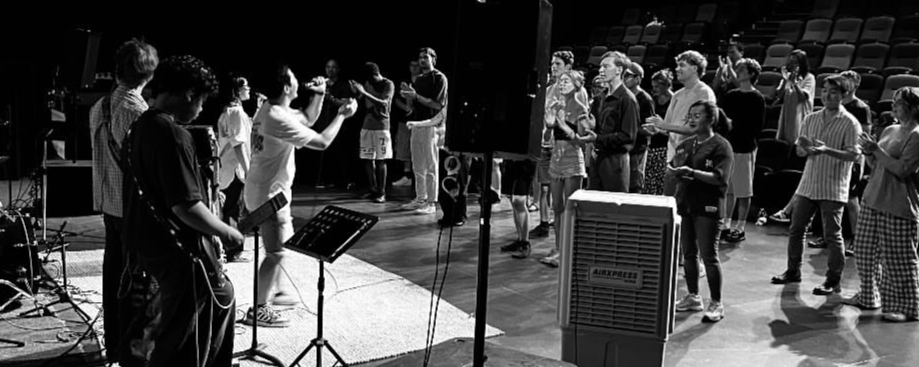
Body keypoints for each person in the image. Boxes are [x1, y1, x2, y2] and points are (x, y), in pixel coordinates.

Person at [122, 55, 238, 367]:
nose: (201, 109)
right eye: (200, 101)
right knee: (184, 334)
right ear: (188, 93)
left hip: (145, 243)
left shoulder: (137, 128)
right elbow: (186, 207)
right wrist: (226, 231)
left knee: (168, 322)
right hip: (177, 252)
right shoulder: (174, 135)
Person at [244, 65, 358, 327]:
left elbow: (306, 119)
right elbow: (321, 142)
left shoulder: (271, 110)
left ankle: (277, 291)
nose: (299, 81)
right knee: (275, 253)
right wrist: (342, 115)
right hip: (269, 196)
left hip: (265, 190)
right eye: (295, 78)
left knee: (280, 247)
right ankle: (258, 309)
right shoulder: (275, 117)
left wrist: (319, 94)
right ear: (287, 87)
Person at [88, 38, 158, 365]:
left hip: (108, 203)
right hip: (132, 209)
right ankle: (135, 355)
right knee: (138, 285)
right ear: (148, 74)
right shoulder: (138, 110)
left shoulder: (97, 108)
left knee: (114, 275)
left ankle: (115, 346)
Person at [771, 74, 862, 296]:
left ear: (843, 95)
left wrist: (826, 150)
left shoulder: (850, 122)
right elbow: (800, 149)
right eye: (825, 90)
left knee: (832, 235)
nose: (827, 95)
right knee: (796, 229)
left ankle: (833, 280)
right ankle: (793, 270)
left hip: (833, 186)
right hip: (809, 183)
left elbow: (853, 155)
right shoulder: (811, 118)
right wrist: (807, 150)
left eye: (833, 92)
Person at [843, 86, 919, 322]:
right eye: (894, 101)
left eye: (899, 102)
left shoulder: (916, 134)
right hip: (873, 197)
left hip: (897, 203)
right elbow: (878, 165)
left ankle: (908, 308)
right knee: (865, 252)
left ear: (914, 107)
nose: (893, 105)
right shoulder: (890, 129)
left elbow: (903, 169)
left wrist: (876, 150)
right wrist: (868, 152)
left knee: (898, 259)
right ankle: (869, 295)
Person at [670, 100, 734, 323]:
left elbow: (720, 178)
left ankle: (716, 302)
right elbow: (673, 169)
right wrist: (675, 168)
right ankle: (693, 296)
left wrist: (692, 172)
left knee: (709, 255)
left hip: (709, 206)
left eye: (697, 115)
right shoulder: (687, 144)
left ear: (711, 119)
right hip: (686, 203)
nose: (692, 119)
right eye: (691, 115)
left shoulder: (721, 146)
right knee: (688, 254)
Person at [530, 50, 587, 238]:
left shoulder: (579, 93)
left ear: (568, 67)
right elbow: (546, 121)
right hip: (550, 147)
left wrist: (560, 122)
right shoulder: (549, 89)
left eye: (558, 64)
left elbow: (581, 129)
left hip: (569, 150)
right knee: (548, 193)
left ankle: (568, 243)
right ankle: (548, 228)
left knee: (569, 202)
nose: (553, 67)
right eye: (552, 64)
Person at [646, 51, 717, 196]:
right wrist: (657, 129)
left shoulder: (704, 92)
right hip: (674, 158)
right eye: (677, 65)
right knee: (669, 202)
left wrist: (665, 126)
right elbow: (668, 128)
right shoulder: (677, 95)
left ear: (695, 68)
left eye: (682, 65)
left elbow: (696, 128)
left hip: (694, 159)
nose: (677, 69)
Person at [540, 70, 592, 267]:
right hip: (556, 157)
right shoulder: (554, 105)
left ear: (577, 85)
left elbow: (581, 140)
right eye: (560, 81)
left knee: (571, 206)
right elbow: (546, 139)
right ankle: (558, 246)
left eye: (566, 81)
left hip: (572, 158)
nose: (561, 84)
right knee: (557, 207)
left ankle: (570, 249)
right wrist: (549, 124)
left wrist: (562, 125)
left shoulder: (580, 107)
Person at [720, 58, 766, 242]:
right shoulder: (731, 95)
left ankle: (740, 227)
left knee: (744, 190)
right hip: (730, 145)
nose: (737, 72)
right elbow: (722, 119)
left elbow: (757, 126)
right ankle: (726, 224)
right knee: (729, 189)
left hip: (745, 146)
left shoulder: (757, 98)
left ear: (752, 74)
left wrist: (735, 125)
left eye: (742, 69)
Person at [401, 48, 450, 219]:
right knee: (417, 165)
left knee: (431, 165)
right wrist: (408, 96)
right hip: (417, 124)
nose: (422, 60)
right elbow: (413, 105)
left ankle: (431, 202)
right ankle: (420, 198)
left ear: (433, 59)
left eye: (425, 57)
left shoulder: (440, 78)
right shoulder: (420, 79)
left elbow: (438, 105)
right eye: (420, 57)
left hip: (432, 126)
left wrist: (416, 96)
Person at [584, 51, 638, 192]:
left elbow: (628, 136)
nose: (601, 70)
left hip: (615, 161)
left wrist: (598, 138)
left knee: (613, 207)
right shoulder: (600, 97)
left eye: (606, 66)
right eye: (600, 67)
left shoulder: (627, 99)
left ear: (619, 70)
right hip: (597, 157)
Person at [216, 74, 252, 262]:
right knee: (233, 209)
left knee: (230, 208)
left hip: (229, 168)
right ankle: (233, 250)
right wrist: (248, 169)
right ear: (237, 90)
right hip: (234, 168)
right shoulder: (236, 112)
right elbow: (238, 143)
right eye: (246, 86)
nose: (249, 89)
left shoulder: (231, 111)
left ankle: (230, 248)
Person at [351, 62, 394, 203]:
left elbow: (383, 103)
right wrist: (356, 92)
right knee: (367, 158)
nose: (369, 82)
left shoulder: (388, 84)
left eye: (371, 78)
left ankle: (382, 192)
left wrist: (363, 92)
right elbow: (360, 99)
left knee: (381, 160)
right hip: (367, 125)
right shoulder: (368, 83)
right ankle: (372, 189)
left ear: (376, 74)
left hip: (381, 126)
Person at [624, 63, 655, 193]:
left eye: (627, 76)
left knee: (634, 184)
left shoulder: (645, 100)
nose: (624, 79)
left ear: (638, 79)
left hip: (637, 149)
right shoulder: (624, 96)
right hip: (623, 147)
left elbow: (650, 129)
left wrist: (629, 128)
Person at [643, 69, 674, 196]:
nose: (654, 89)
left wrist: (659, 129)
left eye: (657, 86)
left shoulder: (674, 100)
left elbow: (672, 128)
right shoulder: (652, 100)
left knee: (661, 183)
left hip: (666, 147)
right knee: (649, 184)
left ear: (666, 84)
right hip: (651, 146)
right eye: (653, 86)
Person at [498, 157, 538, 258]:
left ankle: (525, 242)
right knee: (514, 202)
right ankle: (520, 240)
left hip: (525, 161)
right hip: (512, 160)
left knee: (519, 201)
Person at [392, 60, 423, 186]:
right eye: (412, 65)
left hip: (421, 119)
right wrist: (406, 107)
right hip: (405, 119)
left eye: (417, 65)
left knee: (420, 149)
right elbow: (396, 99)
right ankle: (407, 175)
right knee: (404, 147)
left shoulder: (424, 81)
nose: (414, 68)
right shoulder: (404, 81)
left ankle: (419, 177)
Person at [775, 50, 815, 144]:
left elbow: (802, 98)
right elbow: (779, 95)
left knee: (797, 142)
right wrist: (785, 80)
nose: (793, 66)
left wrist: (795, 83)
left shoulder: (809, 77)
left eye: (795, 63)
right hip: (787, 113)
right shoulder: (787, 76)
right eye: (791, 62)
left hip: (801, 113)